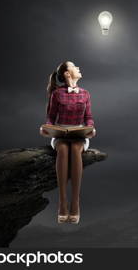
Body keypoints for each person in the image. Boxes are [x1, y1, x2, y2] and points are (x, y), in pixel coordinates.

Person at [39, 61, 96, 224]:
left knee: (76, 148)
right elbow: (50, 116)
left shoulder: (85, 93)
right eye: (74, 66)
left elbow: (89, 118)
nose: (78, 67)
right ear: (66, 73)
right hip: (60, 133)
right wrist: (47, 128)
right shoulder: (57, 94)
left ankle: (75, 203)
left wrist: (91, 128)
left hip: (79, 133)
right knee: (63, 149)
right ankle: (62, 202)